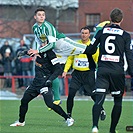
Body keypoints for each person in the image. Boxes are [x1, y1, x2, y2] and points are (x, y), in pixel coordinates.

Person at [83, 8, 133, 133]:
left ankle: (95, 126)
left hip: (103, 70)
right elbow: (129, 55)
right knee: (118, 101)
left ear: (110, 18)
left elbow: (92, 49)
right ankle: (112, 130)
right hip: (117, 71)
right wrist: (132, 73)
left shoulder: (102, 31)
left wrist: (90, 60)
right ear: (121, 20)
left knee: (99, 99)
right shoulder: (126, 35)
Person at [10, 41, 74, 127]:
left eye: (44, 43)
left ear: (49, 44)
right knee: (24, 100)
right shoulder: (37, 51)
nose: (42, 44)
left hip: (45, 83)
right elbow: (28, 52)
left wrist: (50, 79)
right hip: (35, 83)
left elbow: (58, 69)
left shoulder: (50, 54)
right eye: (42, 42)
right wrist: (23, 53)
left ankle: (68, 118)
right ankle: (21, 122)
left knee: (50, 104)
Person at [62, 26, 106, 120]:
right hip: (77, 74)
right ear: (80, 34)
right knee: (71, 94)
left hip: (88, 74)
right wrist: (65, 70)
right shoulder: (75, 45)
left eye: (86, 33)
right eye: (82, 33)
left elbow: (97, 61)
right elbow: (70, 58)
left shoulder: (93, 47)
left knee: (92, 94)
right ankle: (68, 115)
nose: (84, 35)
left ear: (89, 35)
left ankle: (101, 110)